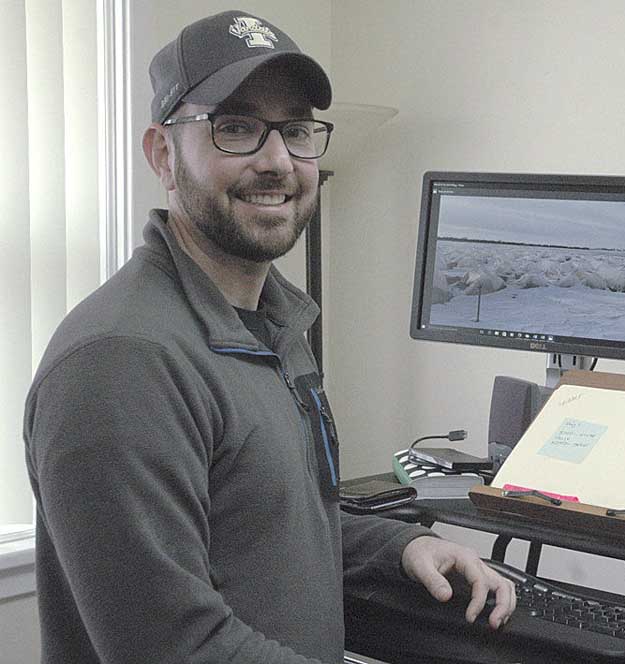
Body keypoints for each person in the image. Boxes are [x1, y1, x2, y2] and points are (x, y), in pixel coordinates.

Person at [23, 10, 514, 664]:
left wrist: (402, 547)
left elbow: (271, 524)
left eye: (297, 129)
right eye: (235, 127)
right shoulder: (121, 362)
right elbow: (176, 647)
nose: (278, 160)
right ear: (163, 155)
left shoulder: (274, 325)